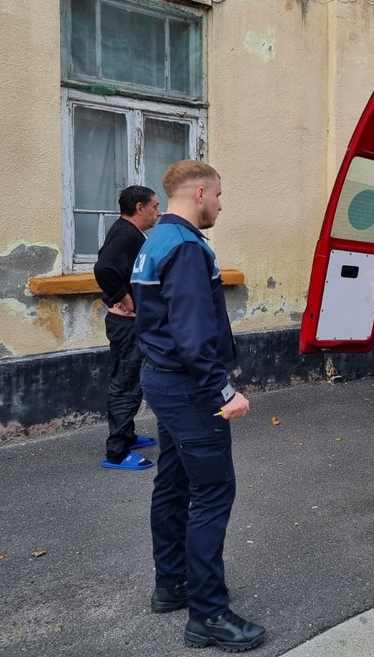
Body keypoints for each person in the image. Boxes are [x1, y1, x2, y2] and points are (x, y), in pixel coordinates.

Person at [131, 160, 266, 652]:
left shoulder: (155, 242)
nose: (222, 205)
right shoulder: (186, 248)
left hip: (162, 381)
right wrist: (224, 393)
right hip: (189, 388)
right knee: (212, 493)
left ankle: (172, 584)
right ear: (201, 192)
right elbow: (192, 336)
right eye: (220, 195)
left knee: (173, 481)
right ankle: (208, 616)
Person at [94, 185, 162, 471]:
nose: (158, 212)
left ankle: (128, 436)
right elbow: (103, 268)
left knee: (128, 380)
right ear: (139, 208)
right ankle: (118, 452)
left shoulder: (126, 231)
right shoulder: (126, 233)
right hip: (127, 325)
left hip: (127, 322)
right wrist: (122, 297)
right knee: (126, 384)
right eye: (155, 206)